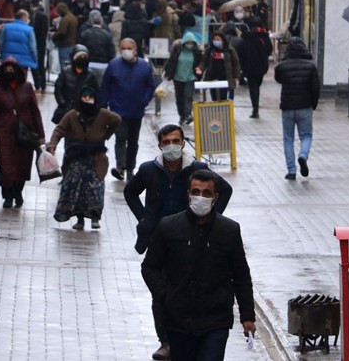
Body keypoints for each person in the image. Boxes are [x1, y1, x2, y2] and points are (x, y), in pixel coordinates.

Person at [124, 125, 233, 361]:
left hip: (191, 238)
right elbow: (130, 192)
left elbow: (225, 190)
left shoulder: (197, 169)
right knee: (160, 292)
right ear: (160, 145)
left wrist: (213, 217)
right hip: (159, 238)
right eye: (166, 141)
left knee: (189, 286)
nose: (171, 146)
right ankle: (165, 341)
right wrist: (144, 218)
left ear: (183, 143)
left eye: (176, 140)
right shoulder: (148, 170)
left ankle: (190, 334)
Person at [141, 170, 255, 361]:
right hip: (178, 321)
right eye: (196, 191)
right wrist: (164, 295)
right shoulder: (168, 227)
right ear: (188, 194)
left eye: (207, 193)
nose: (200, 197)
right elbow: (150, 267)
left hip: (215, 320)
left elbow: (241, 275)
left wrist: (247, 316)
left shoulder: (228, 231)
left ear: (215, 197)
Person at [46, 87, 121, 230]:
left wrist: (105, 135)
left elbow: (116, 120)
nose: (87, 99)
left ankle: (94, 218)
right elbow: (59, 129)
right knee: (76, 189)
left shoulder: (103, 114)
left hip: (96, 157)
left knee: (96, 188)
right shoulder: (72, 115)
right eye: (84, 96)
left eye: (90, 97)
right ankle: (79, 219)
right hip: (77, 157)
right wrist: (53, 144)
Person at [0, 59, 45, 208]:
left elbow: (35, 111)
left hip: (25, 132)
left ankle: (18, 191)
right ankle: (7, 195)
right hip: (4, 132)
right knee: (6, 165)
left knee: (23, 164)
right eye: (6, 70)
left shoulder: (27, 87)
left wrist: (41, 134)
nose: (9, 73)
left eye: (12, 70)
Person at [100, 39, 156, 180]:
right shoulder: (114, 65)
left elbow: (150, 86)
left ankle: (130, 167)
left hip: (136, 110)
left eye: (129, 48)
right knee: (120, 138)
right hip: (118, 110)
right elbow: (105, 85)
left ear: (135, 49)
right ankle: (120, 167)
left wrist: (144, 101)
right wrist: (103, 105)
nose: (126, 50)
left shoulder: (144, 66)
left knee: (133, 140)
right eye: (123, 48)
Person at [274, 37, 320, 181]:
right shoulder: (310, 66)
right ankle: (303, 155)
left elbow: (278, 79)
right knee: (306, 135)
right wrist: (314, 103)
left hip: (287, 106)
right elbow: (315, 88)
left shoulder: (281, 66)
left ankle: (291, 170)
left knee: (288, 138)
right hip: (304, 106)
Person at [53, 45, 99, 123]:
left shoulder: (90, 75)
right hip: (67, 111)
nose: (82, 59)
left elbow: (96, 92)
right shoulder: (66, 72)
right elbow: (58, 89)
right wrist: (62, 103)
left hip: (83, 113)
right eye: (79, 56)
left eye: (84, 56)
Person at [237, 17, 272, 118]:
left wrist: (242, 66)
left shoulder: (246, 37)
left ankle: (255, 108)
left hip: (249, 66)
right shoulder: (264, 35)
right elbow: (269, 50)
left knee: (253, 87)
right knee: (257, 85)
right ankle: (255, 107)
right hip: (261, 66)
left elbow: (241, 51)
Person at [164, 31, 202, 125]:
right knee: (179, 98)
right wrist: (167, 72)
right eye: (188, 42)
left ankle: (188, 114)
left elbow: (201, 62)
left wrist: (199, 70)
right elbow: (171, 61)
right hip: (178, 78)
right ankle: (182, 116)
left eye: (191, 43)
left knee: (188, 96)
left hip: (190, 78)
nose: (189, 45)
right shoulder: (177, 50)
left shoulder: (197, 52)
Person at [199, 30, 240, 102]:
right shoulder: (210, 50)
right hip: (213, 78)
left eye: (218, 40)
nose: (216, 41)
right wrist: (201, 68)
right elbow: (204, 61)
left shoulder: (229, 50)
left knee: (223, 98)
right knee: (214, 98)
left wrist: (236, 76)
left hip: (225, 78)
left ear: (223, 40)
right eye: (214, 39)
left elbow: (235, 63)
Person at [29, 0, 50, 92]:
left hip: (36, 43)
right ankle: (43, 84)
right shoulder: (44, 15)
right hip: (42, 44)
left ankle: (38, 84)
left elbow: (34, 30)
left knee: (34, 65)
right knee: (41, 65)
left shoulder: (36, 16)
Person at [53, 2, 78, 72]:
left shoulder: (65, 19)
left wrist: (54, 35)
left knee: (65, 67)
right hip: (72, 44)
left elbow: (62, 32)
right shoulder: (73, 17)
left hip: (65, 45)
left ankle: (65, 81)